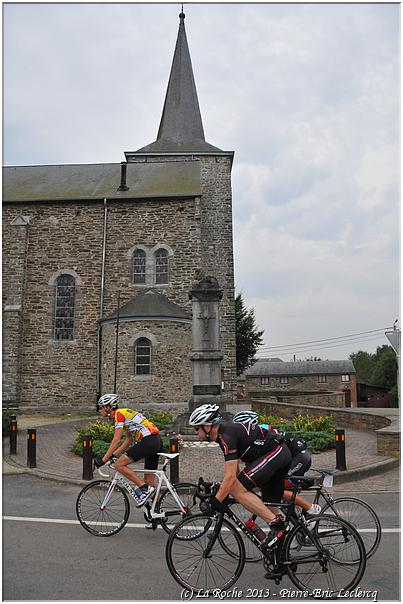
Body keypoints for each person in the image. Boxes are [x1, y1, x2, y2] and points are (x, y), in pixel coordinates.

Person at [189, 403, 292, 550]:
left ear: (207, 426)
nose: (196, 433)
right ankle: (281, 555)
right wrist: (219, 486)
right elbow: (233, 472)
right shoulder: (224, 435)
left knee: (237, 489)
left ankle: (278, 525)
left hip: (277, 453)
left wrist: (215, 502)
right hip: (277, 454)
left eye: (196, 428)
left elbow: (231, 478)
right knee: (268, 506)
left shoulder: (226, 436)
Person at [232, 410, 320, 515]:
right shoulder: (250, 435)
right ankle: (292, 519)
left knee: (275, 489)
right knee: (269, 490)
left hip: (299, 458)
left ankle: (311, 508)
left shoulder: (260, 432)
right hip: (288, 458)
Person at [94, 393, 163, 506]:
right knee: (150, 481)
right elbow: (128, 439)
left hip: (149, 440)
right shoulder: (124, 413)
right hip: (155, 441)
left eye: (101, 407)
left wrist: (103, 460)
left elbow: (116, 440)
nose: (99, 410)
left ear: (109, 407)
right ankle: (157, 509)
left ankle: (144, 488)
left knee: (119, 465)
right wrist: (113, 456)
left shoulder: (119, 414)